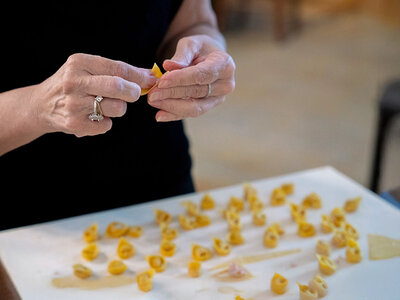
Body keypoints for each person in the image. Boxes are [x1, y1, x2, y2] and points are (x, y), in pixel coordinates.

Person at [0, 1, 235, 230]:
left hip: (158, 183)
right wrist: (36, 107)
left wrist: (205, 51)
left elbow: (193, 21)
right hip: (28, 208)